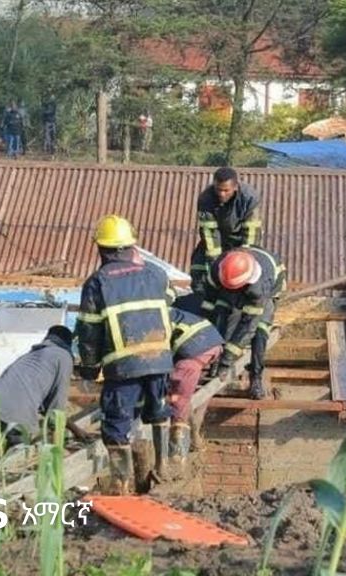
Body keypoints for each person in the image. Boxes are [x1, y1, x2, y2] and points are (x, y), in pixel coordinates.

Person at [75, 215, 176, 495]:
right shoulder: (157, 274)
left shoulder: (97, 282)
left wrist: (89, 368)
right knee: (159, 410)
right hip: (160, 360)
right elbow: (170, 303)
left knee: (117, 422)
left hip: (123, 366)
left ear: (102, 249)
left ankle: (120, 483)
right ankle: (163, 467)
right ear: (132, 246)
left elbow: (89, 331)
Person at [201, 246, 286, 400]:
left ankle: (256, 378)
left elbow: (248, 327)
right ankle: (215, 361)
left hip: (268, 292)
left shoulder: (258, 288)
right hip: (234, 281)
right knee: (222, 314)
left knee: (260, 331)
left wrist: (226, 361)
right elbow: (209, 303)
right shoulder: (217, 270)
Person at [0, 325, 74, 453]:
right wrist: (60, 437)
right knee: (18, 457)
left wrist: (76, 430)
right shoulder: (64, 357)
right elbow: (56, 408)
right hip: (16, 412)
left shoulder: (31, 355)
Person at [166, 305, 223, 477]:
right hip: (206, 341)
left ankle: (177, 459)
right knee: (176, 394)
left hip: (197, 348)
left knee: (179, 399)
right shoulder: (152, 313)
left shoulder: (145, 322)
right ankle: (184, 446)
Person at [189, 167, 262, 296]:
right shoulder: (206, 198)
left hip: (240, 239)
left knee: (241, 270)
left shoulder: (249, 197)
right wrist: (215, 263)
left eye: (226, 190)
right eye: (218, 189)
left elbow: (251, 230)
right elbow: (210, 232)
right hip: (217, 237)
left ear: (235, 187)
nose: (222, 194)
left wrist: (246, 253)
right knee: (198, 268)